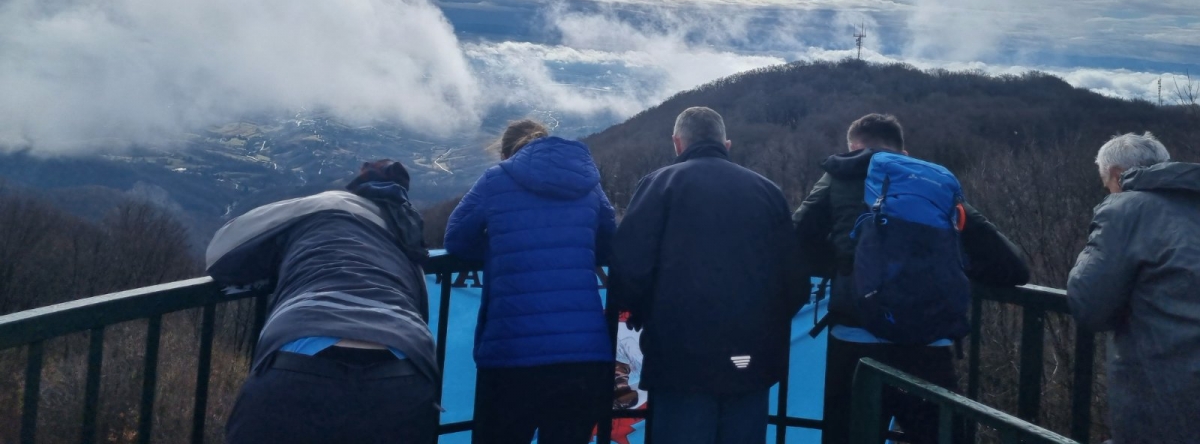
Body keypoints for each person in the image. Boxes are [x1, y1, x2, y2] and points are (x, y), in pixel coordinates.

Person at [793, 113, 1029, 444]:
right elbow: (1013, 267)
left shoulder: (839, 177)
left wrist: (842, 260)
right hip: (927, 347)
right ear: (903, 153)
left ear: (852, 148)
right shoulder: (934, 187)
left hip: (855, 341)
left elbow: (795, 238)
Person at [610, 106, 807, 444]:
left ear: (677, 143)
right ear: (726, 144)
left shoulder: (660, 185)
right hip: (751, 357)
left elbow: (629, 269)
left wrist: (640, 314)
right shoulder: (768, 192)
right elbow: (795, 282)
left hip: (677, 356)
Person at [206, 159, 437, 444]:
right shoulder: (408, 238)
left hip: (298, 356)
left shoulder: (324, 203)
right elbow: (421, 310)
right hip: (404, 369)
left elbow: (219, 251)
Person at [444, 119, 617, 444]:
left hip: (511, 353)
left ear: (507, 153)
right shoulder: (588, 183)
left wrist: (500, 248)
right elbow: (611, 238)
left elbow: (455, 238)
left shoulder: (497, 179)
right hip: (583, 355)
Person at [1067, 132, 1200, 444]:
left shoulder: (1127, 207)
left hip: (1170, 394)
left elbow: (1090, 306)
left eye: (1107, 184)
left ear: (1116, 174)